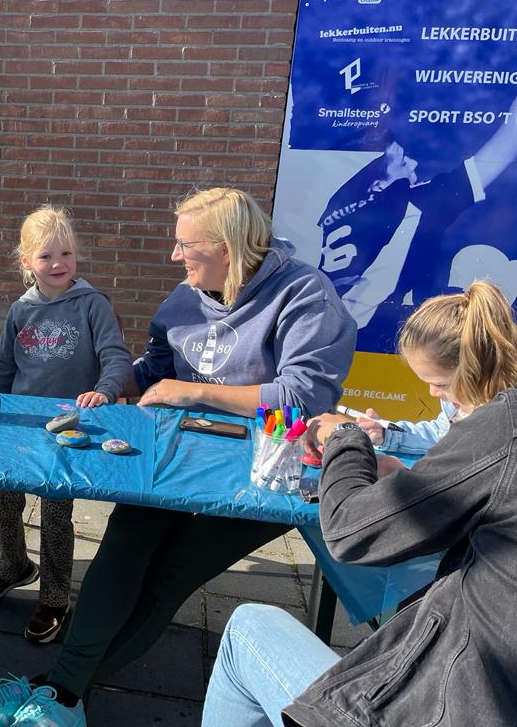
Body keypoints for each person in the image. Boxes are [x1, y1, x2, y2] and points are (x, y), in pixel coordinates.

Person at [0, 188, 357, 727]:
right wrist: (95, 379)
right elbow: (152, 373)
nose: (175, 256)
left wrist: (193, 391)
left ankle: (59, 693)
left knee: (169, 574)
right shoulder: (186, 296)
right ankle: (61, 693)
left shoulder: (304, 295)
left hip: (263, 473)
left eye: (185, 245)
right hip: (175, 458)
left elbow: (303, 396)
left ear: (228, 247)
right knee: (121, 551)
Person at [201, 283, 517, 725]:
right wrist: (409, 478)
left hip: (452, 701)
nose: (437, 397)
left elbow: (349, 531)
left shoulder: (500, 426)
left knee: (245, 630)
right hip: (469, 680)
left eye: (441, 385)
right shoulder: (494, 423)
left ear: (475, 369)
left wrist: (344, 438)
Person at [0, 205, 132, 644]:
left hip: (71, 427)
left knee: (56, 512)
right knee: (3, 496)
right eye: (46, 256)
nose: (59, 264)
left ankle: (56, 596)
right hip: (22, 424)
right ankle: (13, 566)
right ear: (26, 261)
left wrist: (105, 390)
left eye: (66, 254)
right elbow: (5, 367)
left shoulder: (93, 304)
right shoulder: (19, 310)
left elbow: (116, 357)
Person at [316, 96, 517, 350]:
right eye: (402, 161)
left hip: (329, 335)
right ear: (378, 186)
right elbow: (504, 146)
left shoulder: (335, 211)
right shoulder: (409, 208)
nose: (414, 163)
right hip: (375, 338)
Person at [354, 280, 517, 476]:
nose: (433, 393)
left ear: (477, 368)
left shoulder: (506, 424)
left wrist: (406, 476)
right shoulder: (457, 405)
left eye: (441, 384)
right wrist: (387, 434)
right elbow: (440, 435)